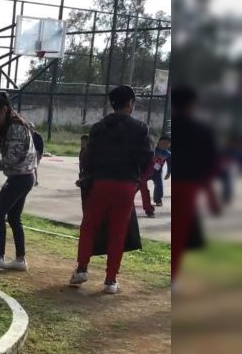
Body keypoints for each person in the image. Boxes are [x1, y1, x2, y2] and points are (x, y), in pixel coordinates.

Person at [69, 85, 153, 294]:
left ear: (112, 104)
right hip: (126, 185)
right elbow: (148, 160)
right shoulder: (141, 128)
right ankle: (110, 280)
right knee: (118, 232)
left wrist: (87, 178)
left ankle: (81, 269)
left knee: (89, 227)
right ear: (130, 103)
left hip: (100, 183)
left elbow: (87, 157)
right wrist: (138, 182)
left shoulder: (98, 128)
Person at [0, 93, 37, 271]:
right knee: (13, 216)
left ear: (5, 110)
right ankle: (20, 260)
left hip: (20, 177)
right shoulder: (12, 124)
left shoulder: (15, 127)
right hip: (23, 176)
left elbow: (12, 158)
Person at [170, 85, 221, 283]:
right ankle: (174, 277)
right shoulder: (202, 130)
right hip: (189, 186)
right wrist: (211, 197)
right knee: (180, 233)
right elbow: (211, 165)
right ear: (193, 104)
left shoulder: (172, 126)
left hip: (175, 183)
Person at [152, 135, 171, 206]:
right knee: (139, 184)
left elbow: (169, 164)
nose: (165, 145)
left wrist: (168, 173)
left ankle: (158, 199)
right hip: (147, 171)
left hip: (157, 172)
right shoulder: (153, 150)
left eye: (167, 143)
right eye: (163, 142)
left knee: (159, 185)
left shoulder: (168, 154)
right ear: (159, 142)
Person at [76, 134, 90, 213]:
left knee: (87, 199)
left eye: (84, 142)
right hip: (82, 175)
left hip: (87, 177)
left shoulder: (90, 153)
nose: (82, 143)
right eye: (81, 142)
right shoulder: (82, 151)